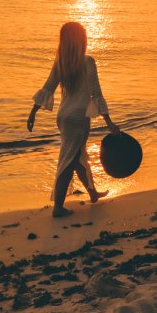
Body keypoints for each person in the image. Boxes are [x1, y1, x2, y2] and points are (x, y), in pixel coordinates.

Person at [26, 21, 121, 217]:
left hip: (63, 117)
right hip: (78, 119)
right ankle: (58, 208)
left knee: (76, 157)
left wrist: (33, 112)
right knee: (68, 162)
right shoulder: (88, 62)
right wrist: (109, 122)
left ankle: (92, 193)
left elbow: (48, 88)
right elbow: (96, 93)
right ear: (82, 40)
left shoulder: (61, 63)